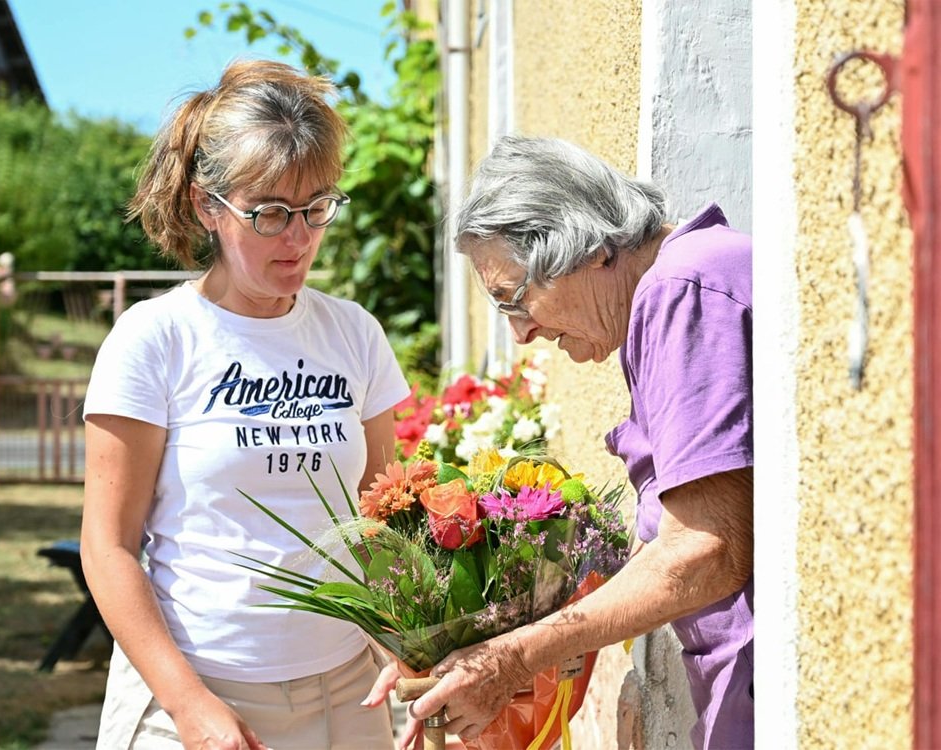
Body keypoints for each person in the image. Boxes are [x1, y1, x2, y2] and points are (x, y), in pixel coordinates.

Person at [81, 60, 409, 750]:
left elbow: (382, 519)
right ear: (209, 205)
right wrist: (188, 704)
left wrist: (416, 645)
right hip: (195, 695)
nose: (299, 238)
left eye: (318, 207)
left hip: (345, 693)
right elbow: (108, 546)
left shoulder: (353, 333)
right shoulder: (155, 339)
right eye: (269, 214)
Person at [391, 135, 753, 749]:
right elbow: (680, 540)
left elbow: (706, 551)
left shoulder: (682, 290)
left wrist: (516, 655)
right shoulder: (669, 295)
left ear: (587, 248)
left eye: (514, 298)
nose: (521, 333)